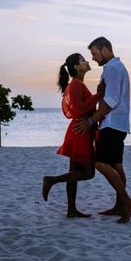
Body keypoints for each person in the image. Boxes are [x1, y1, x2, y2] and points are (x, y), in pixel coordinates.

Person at [74, 37, 131, 224]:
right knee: (116, 165)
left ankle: (126, 202)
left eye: (94, 53)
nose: (93, 58)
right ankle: (119, 205)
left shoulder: (112, 68)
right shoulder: (116, 67)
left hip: (112, 123)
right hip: (119, 123)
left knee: (100, 163)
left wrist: (91, 121)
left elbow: (111, 100)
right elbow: (108, 96)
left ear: (104, 49)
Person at [42, 53, 105, 218]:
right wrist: (99, 95)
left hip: (79, 131)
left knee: (74, 172)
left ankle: (71, 210)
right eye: (83, 60)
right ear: (77, 67)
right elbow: (78, 108)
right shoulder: (77, 84)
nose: (87, 62)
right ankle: (51, 180)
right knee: (88, 173)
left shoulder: (78, 84)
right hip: (80, 132)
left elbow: (83, 106)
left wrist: (96, 97)